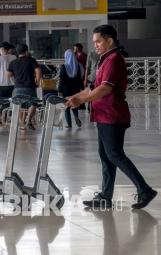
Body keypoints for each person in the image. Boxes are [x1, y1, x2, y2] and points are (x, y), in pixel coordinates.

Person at [66, 24, 157, 209]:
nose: (96, 45)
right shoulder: (105, 59)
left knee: (114, 155)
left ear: (110, 40)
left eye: (99, 41)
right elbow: (93, 87)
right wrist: (76, 97)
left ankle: (144, 189)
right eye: (94, 42)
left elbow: (105, 88)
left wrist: (82, 101)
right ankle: (105, 197)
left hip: (112, 115)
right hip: (103, 115)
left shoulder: (114, 59)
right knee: (106, 156)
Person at [7, 43, 42, 130]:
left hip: (17, 87)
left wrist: (17, 75)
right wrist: (37, 81)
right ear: (26, 51)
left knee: (19, 105)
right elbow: (38, 71)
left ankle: (22, 124)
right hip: (30, 86)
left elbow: (8, 74)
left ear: (17, 52)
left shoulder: (13, 62)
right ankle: (28, 120)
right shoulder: (31, 60)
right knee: (34, 103)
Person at [59, 49, 84, 128]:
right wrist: (82, 89)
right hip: (75, 89)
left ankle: (69, 124)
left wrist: (60, 90)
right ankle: (76, 117)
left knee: (66, 106)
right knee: (74, 104)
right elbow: (80, 79)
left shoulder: (64, 67)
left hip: (66, 90)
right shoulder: (79, 66)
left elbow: (61, 80)